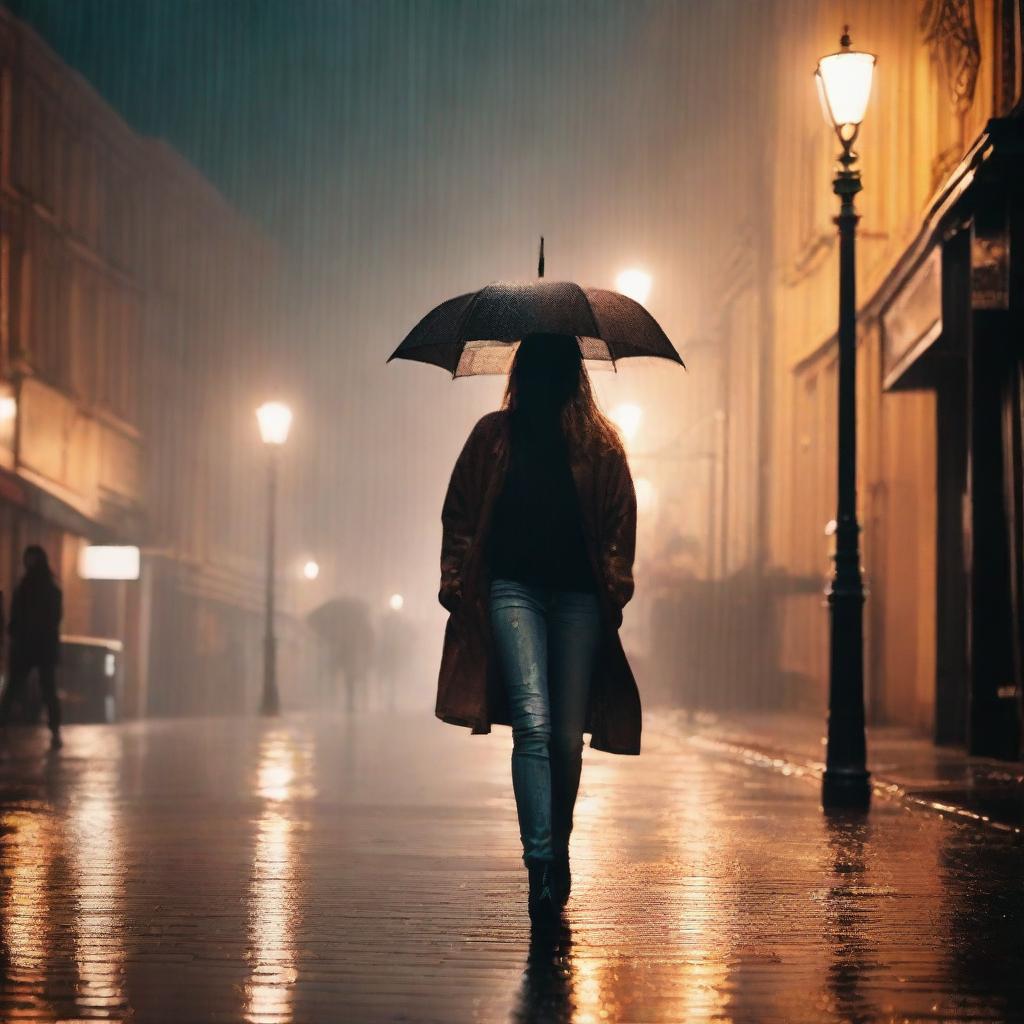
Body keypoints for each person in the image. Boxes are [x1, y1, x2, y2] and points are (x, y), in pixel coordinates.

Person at [436, 333, 639, 925]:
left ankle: (558, 844)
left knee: (565, 737)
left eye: (552, 370)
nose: (540, 381)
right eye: (534, 369)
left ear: (570, 377)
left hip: (578, 599)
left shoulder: (600, 444)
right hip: (512, 591)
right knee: (535, 721)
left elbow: (619, 526)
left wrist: (614, 590)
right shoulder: (491, 437)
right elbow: (460, 513)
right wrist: (456, 582)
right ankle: (542, 864)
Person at [0, 545, 64, 750]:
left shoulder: (49, 589)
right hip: (27, 646)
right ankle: (3, 726)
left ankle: (55, 731)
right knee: (14, 689)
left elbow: (53, 618)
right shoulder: (25, 587)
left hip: (41, 646)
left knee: (47, 690)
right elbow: (15, 616)